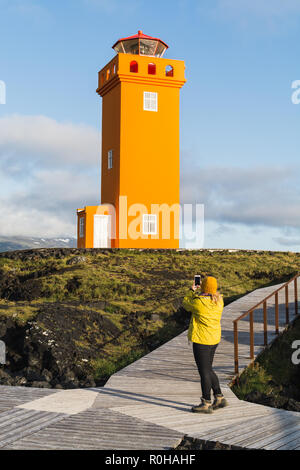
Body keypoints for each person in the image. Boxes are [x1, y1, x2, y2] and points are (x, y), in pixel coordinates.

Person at [183, 275, 228, 413]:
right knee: (208, 368)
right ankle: (219, 397)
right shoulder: (219, 301)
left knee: (204, 372)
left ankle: (206, 403)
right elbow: (208, 297)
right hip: (214, 339)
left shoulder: (199, 303)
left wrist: (191, 290)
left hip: (202, 341)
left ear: (202, 287)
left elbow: (186, 304)